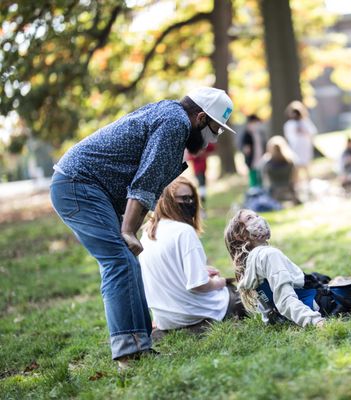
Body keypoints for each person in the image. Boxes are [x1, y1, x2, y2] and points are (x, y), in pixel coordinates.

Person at [49, 87, 235, 365]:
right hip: (78, 185)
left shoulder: (171, 115)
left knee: (125, 262)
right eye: (215, 129)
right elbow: (146, 182)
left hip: (86, 187)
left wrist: (129, 227)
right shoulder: (175, 123)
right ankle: (129, 355)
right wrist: (127, 230)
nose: (212, 140)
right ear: (200, 117)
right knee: (120, 263)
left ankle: (139, 344)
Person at [139, 177, 246, 340]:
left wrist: (201, 271)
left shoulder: (146, 235)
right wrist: (222, 282)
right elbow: (199, 285)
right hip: (194, 312)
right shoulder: (183, 232)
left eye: (191, 198)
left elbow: (167, 274)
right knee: (237, 292)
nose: (189, 203)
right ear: (167, 201)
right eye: (184, 198)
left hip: (166, 319)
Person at [283, 101, 317, 183]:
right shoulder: (289, 124)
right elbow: (289, 137)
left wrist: (304, 131)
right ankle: (296, 186)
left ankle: (309, 184)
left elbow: (312, 132)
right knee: (296, 170)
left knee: (307, 169)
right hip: (295, 149)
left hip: (305, 148)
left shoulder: (305, 122)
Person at [262, 136, 300, 204]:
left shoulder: (267, 163)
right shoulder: (290, 161)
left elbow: (265, 179)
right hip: (289, 190)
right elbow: (295, 178)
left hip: (273, 193)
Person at [185, 143, 216, 210]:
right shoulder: (193, 146)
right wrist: (197, 154)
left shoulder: (203, 144)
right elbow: (189, 156)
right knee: (202, 186)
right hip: (198, 170)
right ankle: (201, 205)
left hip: (204, 169)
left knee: (203, 186)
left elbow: (212, 147)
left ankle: (202, 205)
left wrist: (204, 150)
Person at [240, 114, 266, 188]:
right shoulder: (247, 134)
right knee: (253, 173)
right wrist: (246, 148)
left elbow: (264, 143)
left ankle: (261, 188)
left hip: (260, 155)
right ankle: (254, 189)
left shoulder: (260, 133)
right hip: (252, 157)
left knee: (261, 173)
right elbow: (243, 145)